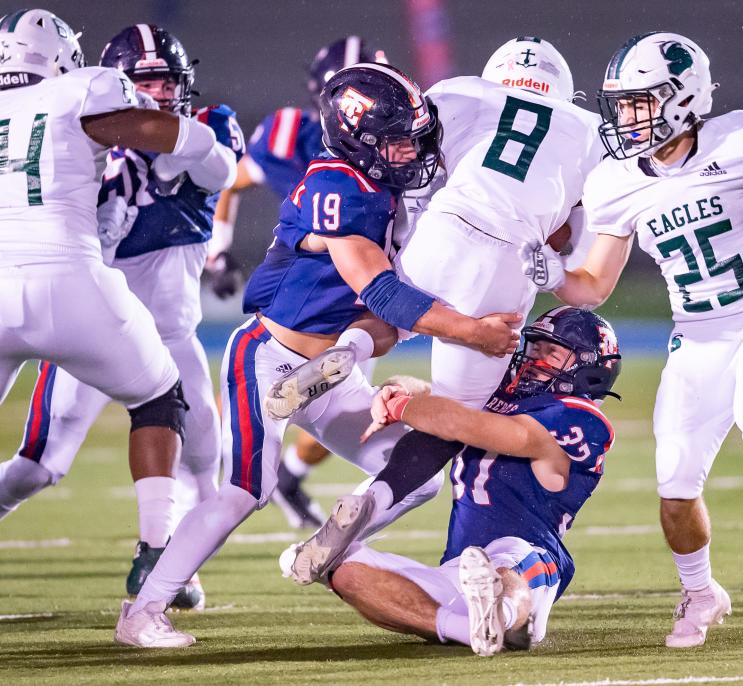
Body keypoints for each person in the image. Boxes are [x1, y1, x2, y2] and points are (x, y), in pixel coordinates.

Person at [115, 62, 519, 648]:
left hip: (330, 367)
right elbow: (378, 287)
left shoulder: (386, 188)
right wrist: (470, 332)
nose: (410, 152)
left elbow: (384, 314)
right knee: (246, 489)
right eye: (396, 140)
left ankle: (331, 541)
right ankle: (144, 610)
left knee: (417, 475)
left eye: (415, 137)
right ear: (355, 138)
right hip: (270, 356)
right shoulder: (339, 184)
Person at [519, 32, 743, 648]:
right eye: (623, 104)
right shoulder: (616, 181)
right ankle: (700, 593)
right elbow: (593, 286)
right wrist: (549, 272)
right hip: (697, 333)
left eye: (640, 102)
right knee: (675, 487)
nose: (627, 117)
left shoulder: (740, 138)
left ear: (682, 97)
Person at [286, 36, 605, 581]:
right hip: (509, 258)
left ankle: (348, 351)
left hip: (442, 228)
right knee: (454, 423)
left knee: (397, 316)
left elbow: (415, 175)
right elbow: (575, 248)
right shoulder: (590, 136)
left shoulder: (460, 93)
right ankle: (370, 503)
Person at [0, 24, 244, 610]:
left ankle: (172, 571)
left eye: (166, 81)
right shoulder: (89, 128)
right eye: (146, 83)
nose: (158, 93)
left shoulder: (201, 125)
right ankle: (158, 558)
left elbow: (219, 170)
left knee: (205, 459)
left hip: (167, 329)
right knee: (39, 468)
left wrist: (174, 141)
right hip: (87, 321)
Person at [280, 307, 620, 657]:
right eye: (533, 347)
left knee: (508, 568)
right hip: (459, 568)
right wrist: (401, 388)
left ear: (589, 369)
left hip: (529, 552)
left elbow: (475, 427)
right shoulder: (504, 395)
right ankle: (468, 628)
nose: (533, 358)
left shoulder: (580, 416)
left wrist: (403, 407)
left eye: (551, 353)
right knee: (343, 569)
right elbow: (445, 403)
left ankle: (506, 617)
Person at [210, 36, 388, 529]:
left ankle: (287, 474)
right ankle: (243, 474)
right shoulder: (288, 134)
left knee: (356, 416)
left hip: (358, 293)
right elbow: (231, 179)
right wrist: (218, 249)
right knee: (258, 394)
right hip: (300, 291)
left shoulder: (401, 148)